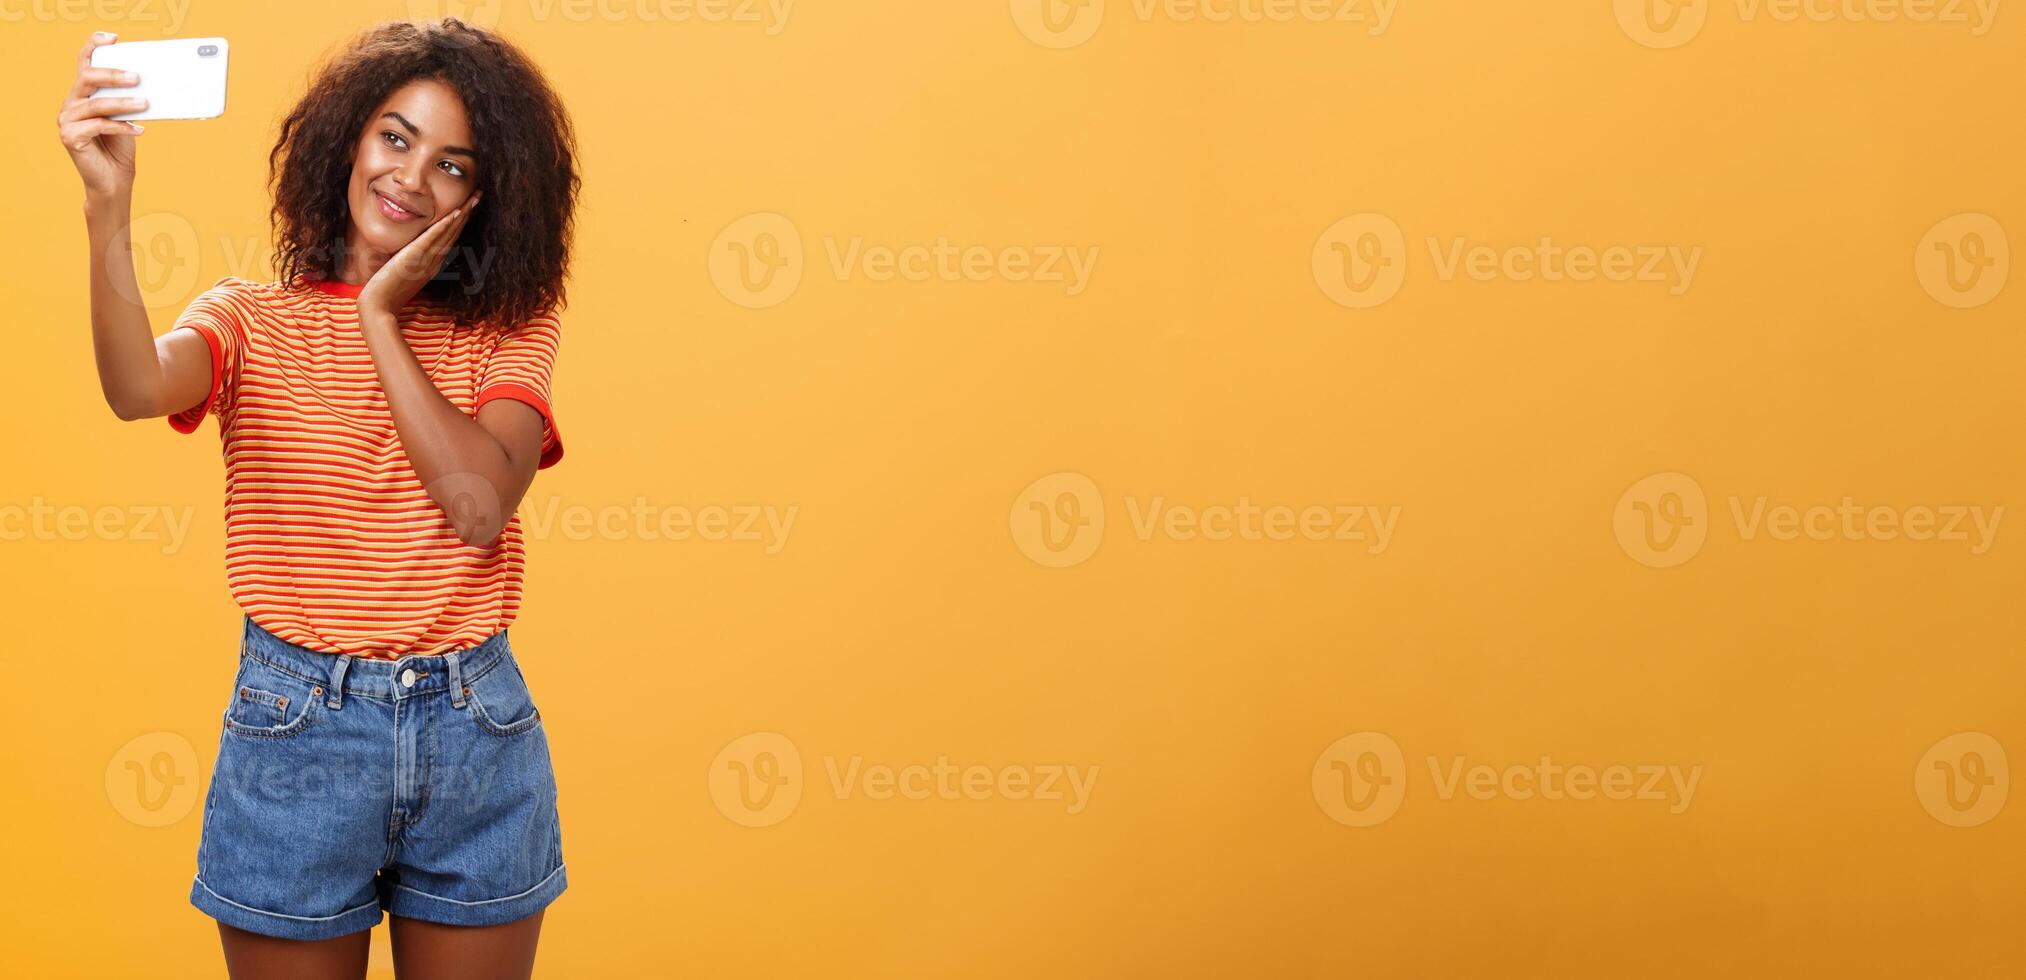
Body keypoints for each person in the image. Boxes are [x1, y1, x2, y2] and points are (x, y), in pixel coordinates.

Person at [60, 18, 581, 979]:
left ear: (487, 196)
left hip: (475, 732)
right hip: (295, 726)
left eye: (453, 165)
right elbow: (137, 387)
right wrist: (109, 207)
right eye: (395, 136)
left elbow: (476, 507)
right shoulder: (248, 317)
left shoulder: (512, 326)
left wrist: (381, 314)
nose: (412, 176)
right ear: (346, 139)